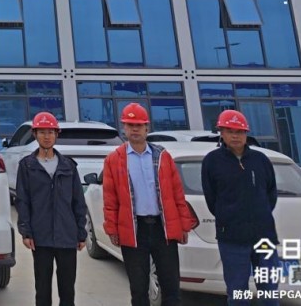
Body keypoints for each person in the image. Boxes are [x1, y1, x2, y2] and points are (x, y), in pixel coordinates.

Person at [102, 103, 197, 306]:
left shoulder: (162, 156)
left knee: (171, 287)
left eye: (139, 125)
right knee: (138, 289)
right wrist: (112, 228)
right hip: (135, 230)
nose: (135, 129)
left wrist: (183, 225)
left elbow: (177, 193)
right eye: (130, 125)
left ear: (147, 127)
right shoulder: (114, 159)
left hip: (163, 229)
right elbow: (110, 199)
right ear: (124, 128)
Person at [202, 109, 280, 306]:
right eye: (230, 131)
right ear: (221, 133)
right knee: (237, 292)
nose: (235, 136)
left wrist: (259, 215)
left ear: (246, 134)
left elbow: (271, 193)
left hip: (264, 237)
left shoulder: (261, 160)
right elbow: (212, 199)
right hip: (232, 239)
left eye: (239, 131)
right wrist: (229, 217)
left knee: (270, 291)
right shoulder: (212, 161)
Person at [14, 112, 87, 306]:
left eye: (51, 132)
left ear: (56, 134)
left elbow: (78, 202)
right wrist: (26, 231)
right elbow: (23, 201)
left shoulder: (68, 166)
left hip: (67, 236)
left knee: (67, 291)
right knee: (42, 290)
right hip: (41, 237)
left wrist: (81, 233)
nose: (47, 136)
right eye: (42, 132)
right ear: (35, 134)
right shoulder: (27, 166)